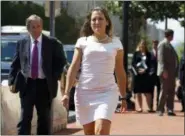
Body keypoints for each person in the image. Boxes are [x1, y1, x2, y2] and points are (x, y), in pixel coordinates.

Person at [61, 7, 127, 135]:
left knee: (101, 130)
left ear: (107, 22)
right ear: (90, 23)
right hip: (84, 93)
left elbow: (120, 72)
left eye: (100, 19)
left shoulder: (116, 43)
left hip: (107, 92)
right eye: (94, 19)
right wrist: (66, 93)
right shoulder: (82, 42)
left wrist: (123, 96)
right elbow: (74, 67)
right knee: (90, 133)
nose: (97, 22)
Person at [8, 14, 67, 135]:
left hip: (44, 86)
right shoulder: (22, 43)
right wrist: (11, 80)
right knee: (24, 118)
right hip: (27, 85)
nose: (36, 30)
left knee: (44, 120)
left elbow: (61, 62)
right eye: (33, 27)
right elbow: (15, 63)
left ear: (41, 27)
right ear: (28, 28)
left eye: (38, 26)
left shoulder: (52, 43)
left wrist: (54, 76)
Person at [157, 29, 179, 116]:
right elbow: (161, 58)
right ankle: (160, 109)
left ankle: (170, 109)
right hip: (165, 72)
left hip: (171, 72)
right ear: (170, 35)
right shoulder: (162, 44)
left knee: (171, 91)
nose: (173, 37)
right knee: (164, 91)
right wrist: (164, 70)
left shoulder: (169, 44)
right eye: (172, 35)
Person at [131, 39, 154, 112]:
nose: (143, 45)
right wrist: (138, 70)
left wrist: (145, 70)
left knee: (148, 92)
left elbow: (151, 65)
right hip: (138, 76)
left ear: (146, 45)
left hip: (146, 76)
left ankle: (149, 108)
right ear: (139, 45)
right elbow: (133, 64)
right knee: (138, 92)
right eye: (141, 44)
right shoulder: (136, 53)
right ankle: (140, 107)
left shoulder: (149, 54)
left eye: (144, 44)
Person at [150, 40, 161, 111]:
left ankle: (158, 106)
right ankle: (151, 106)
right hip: (151, 74)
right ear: (152, 44)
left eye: (156, 44)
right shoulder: (150, 53)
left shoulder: (160, 53)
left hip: (159, 74)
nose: (155, 45)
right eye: (154, 44)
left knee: (159, 90)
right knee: (151, 90)